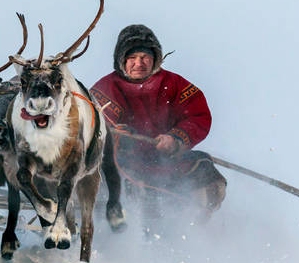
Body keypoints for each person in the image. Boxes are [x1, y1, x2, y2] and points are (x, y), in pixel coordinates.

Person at [91, 24, 226, 223]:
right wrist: (116, 135)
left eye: (145, 57)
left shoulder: (174, 84)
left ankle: (194, 227)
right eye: (132, 58)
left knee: (205, 169)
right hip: (124, 165)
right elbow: (93, 123)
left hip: (167, 161)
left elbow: (198, 115)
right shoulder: (105, 89)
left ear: (156, 58)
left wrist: (177, 138)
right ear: (121, 59)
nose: (139, 63)